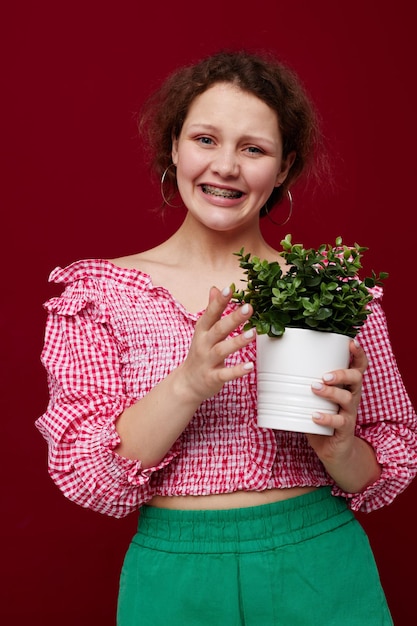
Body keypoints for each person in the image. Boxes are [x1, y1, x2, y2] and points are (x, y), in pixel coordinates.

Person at [36, 49, 417, 625]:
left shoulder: (330, 291)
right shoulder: (99, 293)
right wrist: (188, 384)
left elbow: (392, 454)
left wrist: (341, 450)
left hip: (318, 561)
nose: (226, 167)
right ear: (174, 148)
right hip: (176, 574)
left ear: (283, 167)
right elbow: (88, 474)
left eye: (254, 149)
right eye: (206, 140)